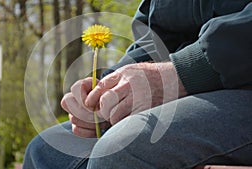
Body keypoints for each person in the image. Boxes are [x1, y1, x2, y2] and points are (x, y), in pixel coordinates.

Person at [23, 0, 252, 168]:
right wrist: (111, 88)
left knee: (120, 150)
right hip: (188, 88)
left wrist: (186, 70)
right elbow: (155, 34)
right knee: (46, 152)